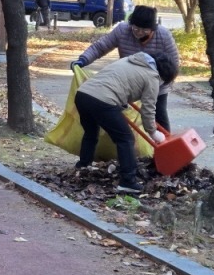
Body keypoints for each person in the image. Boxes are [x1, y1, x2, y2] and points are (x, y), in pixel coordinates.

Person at [74, 52, 178, 194]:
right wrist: (153, 132)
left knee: (91, 132)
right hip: (103, 101)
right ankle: (128, 181)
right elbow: (148, 109)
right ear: (164, 77)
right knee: (125, 139)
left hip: (83, 95)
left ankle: (83, 166)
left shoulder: (130, 61)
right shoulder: (153, 77)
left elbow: (117, 82)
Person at [70, 5, 179, 132]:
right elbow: (101, 47)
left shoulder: (163, 35)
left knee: (158, 114)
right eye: (136, 28)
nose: (138, 32)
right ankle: (126, 144)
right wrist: (83, 60)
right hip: (128, 82)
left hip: (157, 82)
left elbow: (174, 64)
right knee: (118, 115)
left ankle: (165, 147)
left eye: (144, 30)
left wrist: (160, 84)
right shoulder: (123, 30)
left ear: (153, 29)